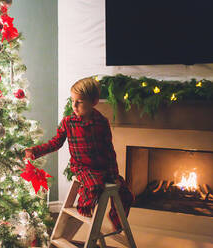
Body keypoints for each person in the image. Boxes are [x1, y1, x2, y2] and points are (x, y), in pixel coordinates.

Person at [24, 76, 135, 232]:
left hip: (102, 167)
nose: (74, 105)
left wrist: (113, 174)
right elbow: (55, 143)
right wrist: (34, 151)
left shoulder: (101, 122)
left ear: (93, 102)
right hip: (82, 167)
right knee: (95, 185)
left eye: (79, 102)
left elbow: (109, 151)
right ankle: (84, 203)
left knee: (125, 193)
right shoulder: (68, 122)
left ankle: (116, 219)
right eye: (72, 101)